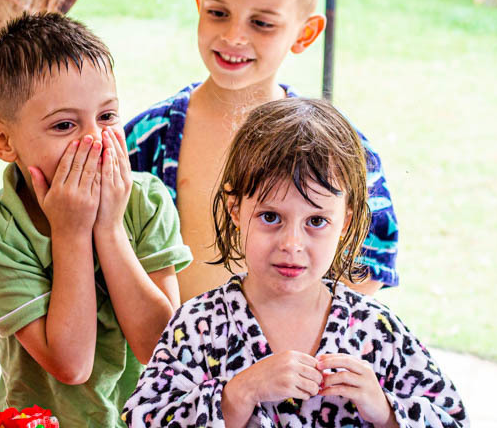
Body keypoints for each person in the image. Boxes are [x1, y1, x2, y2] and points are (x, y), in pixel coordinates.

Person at [122, 98, 467, 428]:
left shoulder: (375, 331)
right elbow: (143, 418)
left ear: (344, 222)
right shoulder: (198, 327)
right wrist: (237, 396)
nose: (291, 244)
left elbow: (453, 419)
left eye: (316, 221)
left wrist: (385, 410)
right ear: (235, 209)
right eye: (271, 216)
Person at [124, 0, 398, 301]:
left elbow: (371, 262)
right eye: (218, 13)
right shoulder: (145, 139)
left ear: (305, 33)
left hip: (294, 358)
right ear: (199, 2)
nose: (233, 35)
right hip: (180, 357)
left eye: (262, 23)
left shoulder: (340, 149)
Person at [0, 12, 193, 427]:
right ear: (4, 141)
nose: (94, 139)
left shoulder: (146, 202)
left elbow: (163, 350)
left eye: (107, 117)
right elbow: (71, 366)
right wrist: (71, 232)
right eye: (65, 125)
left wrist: (107, 229)